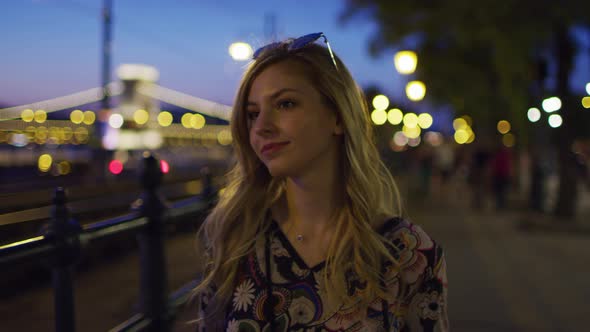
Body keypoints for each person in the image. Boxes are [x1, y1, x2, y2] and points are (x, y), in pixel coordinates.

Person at [193, 32, 448, 331]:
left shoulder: (408, 253)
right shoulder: (233, 239)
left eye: (286, 104)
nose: (261, 127)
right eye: (252, 114)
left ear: (338, 117)